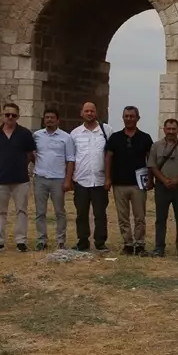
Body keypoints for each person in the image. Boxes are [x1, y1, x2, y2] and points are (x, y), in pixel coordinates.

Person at [0, 102, 36, 253]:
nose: (10, 117)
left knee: (22, 210)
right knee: (0, 211)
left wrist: (19, 165)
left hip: (20, 179)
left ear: (18, 117)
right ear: (2, 116)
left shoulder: (25, 133)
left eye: (13, 115)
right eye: (7, 115)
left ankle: (21, 241)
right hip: (0, 178)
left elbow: (30, 155)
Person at [104, 106, 154, 256]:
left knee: (140, 216)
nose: (129, 119)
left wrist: (151, 180)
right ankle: (127, 243)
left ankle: (139, 244)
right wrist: (107, 178)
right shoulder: (115, 137)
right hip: (119, 183)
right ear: (123, 118)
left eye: (132, 116)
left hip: (138, 184)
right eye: (126, 116)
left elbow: (150, 160)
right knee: (123, 217)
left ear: (138, 118)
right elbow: (108, 158)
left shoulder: (145, 138)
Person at [69, 102, 113, 252]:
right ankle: (83, 241)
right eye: (86, 111)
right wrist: (69, 180)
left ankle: (100, 242)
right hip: (81, 180)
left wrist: (109, 178)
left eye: (92, 111)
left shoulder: (106, 131)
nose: (89, 113)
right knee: (81, 213)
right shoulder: (74, 134)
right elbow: (71, 157)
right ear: (81, 113)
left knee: (100, 213)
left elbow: (110, 155)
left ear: (96, 112)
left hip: (100, 180)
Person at [148, 118, 178, 259]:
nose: (171, 132)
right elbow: (152, 166)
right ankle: (159, 248)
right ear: (164, 129)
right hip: (162, 187)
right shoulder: (156, 146)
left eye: (174, 129)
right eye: (168, 129)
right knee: (161, 219)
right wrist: (164, 180)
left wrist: (176, 180)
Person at [32, 108, 75, 251]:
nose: (49, 120)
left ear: (58, 120)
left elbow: (70, 160)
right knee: (40, 212)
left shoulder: (66, 137)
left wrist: (68, 180)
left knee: (59, 211)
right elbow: (32, 154)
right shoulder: (37, 136)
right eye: (47, 118)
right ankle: (41, 240)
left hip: (58, 179)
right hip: (41, 178)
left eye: (52, 118)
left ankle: (61, 240)